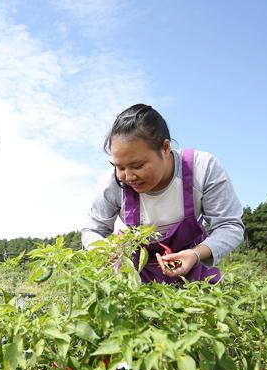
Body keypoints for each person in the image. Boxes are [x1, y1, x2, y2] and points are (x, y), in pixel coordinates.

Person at [81, 104, 244, 284]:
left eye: (138, 166)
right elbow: (92, 230)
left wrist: (195, 254)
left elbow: (229, 226)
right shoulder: (111, 184)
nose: (128, 176)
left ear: (166, 148)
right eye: (119, 167)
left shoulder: (202, 168)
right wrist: (104, 249)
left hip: (193, 267)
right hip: (136, 273)